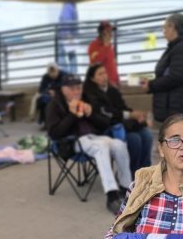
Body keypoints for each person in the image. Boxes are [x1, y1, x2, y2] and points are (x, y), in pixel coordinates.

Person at [45, 73, 132, 214]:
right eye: (72, 89)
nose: (76, 92)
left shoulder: (87, 99)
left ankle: (126, 188)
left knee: (119, 145)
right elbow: (54, 133)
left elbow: (105, 123)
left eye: (78, 88)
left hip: (94, 137)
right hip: (71, 142)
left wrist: (91, 114)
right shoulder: (54, 105)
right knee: (101, 147)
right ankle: (112, 196)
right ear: (63, 89)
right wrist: (72, 115)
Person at [82, 62, 153, 174]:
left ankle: (145, 173)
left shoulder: (112, 90)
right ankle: (131, 175)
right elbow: (106, 113)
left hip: (120, 126)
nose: (104, 76)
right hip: (103, 128)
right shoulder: (89, 94)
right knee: (134, 139)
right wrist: (129, 115)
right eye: (100, 74)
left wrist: (137, 115)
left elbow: (123, 108)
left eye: (105, 73)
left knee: (147, 135)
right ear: (92, 79)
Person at [141, 13, 183, 123]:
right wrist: (150, 84)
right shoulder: (176, 47)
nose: (163, 31)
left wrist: (151, 85)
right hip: (171, 106)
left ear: (172, 27)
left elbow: (175, 77)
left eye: (165, 27)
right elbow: (167, 74)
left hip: (176, 107)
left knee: (177, 138)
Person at [88, 21, 119, 87]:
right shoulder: (94, 46)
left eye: (111, 31)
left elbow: (113, 64)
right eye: (108, 31)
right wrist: (105, 46)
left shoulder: (110, 46)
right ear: (102, 33)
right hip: (102, 85)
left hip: (113, 84)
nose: (111, 34)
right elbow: (95, 64)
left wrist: (117, 79)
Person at [35, 62, 64, 128]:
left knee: (54, 102)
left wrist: (57, 92)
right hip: (48, 96)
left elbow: (67, 87)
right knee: (41, 101)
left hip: (62, 95)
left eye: (54, 72)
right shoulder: (45, 77)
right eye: (50, 72)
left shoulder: (63, 75)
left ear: (57, 70)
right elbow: (41, 89)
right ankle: (45, 122)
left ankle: (56, 122)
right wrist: (48, 91)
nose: (52, 74)